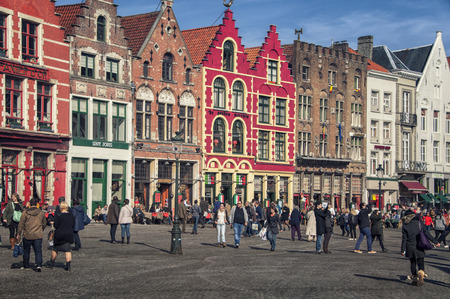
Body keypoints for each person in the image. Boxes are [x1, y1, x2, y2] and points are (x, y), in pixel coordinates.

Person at [401, 210, 440, 286]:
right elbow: (427, 233)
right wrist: (435, 242)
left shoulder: (405, 225)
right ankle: (421, 275)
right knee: (420, 262)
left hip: (410, 246)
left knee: (412, 262)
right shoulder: (419, 223)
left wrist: (403, 250)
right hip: (419, 245)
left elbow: (404, 239)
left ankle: (415, 278)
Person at [17, 197, 47, 271]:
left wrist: (18, 234)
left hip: (27, 234)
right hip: (37, 234)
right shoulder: (41, 213)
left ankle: (26, 265)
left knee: (26, 251)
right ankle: (39, 265)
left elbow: (21, 224)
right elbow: (44, 223)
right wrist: (41, 229)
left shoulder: (25, 213)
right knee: (38, 250)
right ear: (37, 204)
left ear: (30, 204)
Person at [47, 201, 75, 271]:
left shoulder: (59, 215)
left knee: (55, 249)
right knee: (67, 250)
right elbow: (73, 224)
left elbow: (56, 225)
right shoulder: (71, 215)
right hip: (68, 234)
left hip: (60, 234)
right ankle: (68, 265)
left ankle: (51, 262)